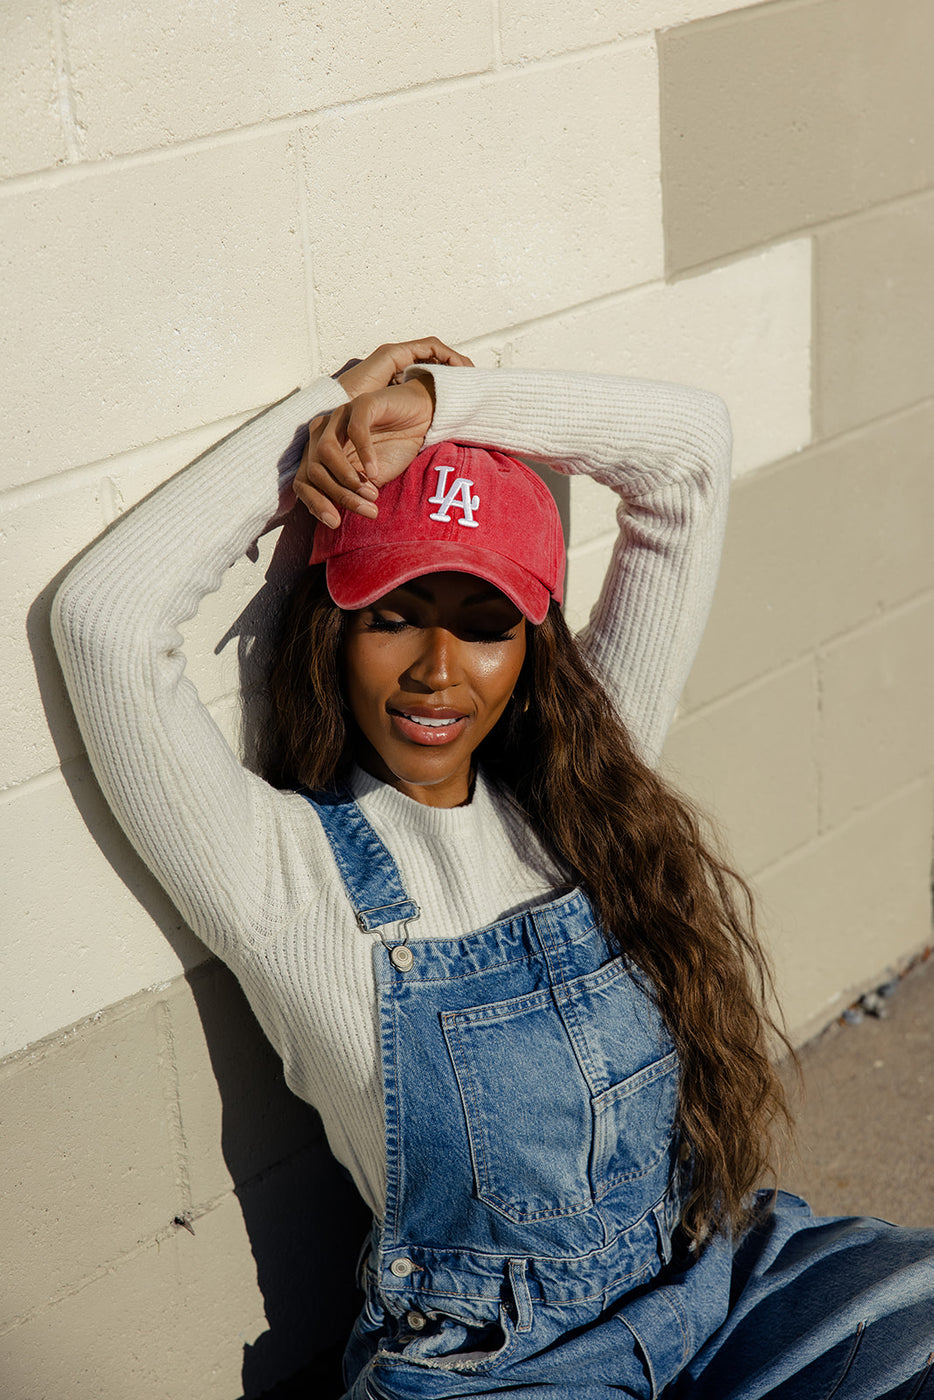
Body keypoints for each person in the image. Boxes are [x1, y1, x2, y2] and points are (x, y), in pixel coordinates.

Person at [53, 340, 934, 1398]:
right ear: (332, 631)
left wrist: (428, 406)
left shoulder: (582, 796)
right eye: (393, 615)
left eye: (484, 627)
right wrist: (316, 431)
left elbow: (688, 457)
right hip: (499, 1370)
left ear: (530, 651)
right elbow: (102, 619)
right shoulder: (278, 871)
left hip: (720, 1279)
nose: (437, 669)